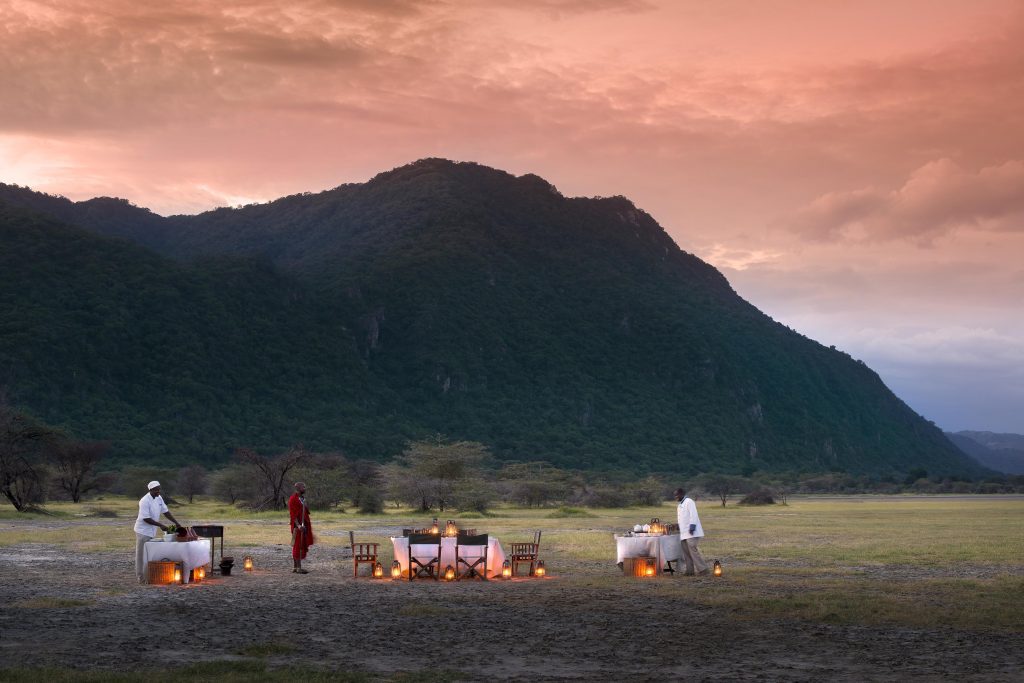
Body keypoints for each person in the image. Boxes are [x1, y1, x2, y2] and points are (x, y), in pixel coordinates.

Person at [134, 481, 183, 583]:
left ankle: (149, 575)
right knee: (141, 554)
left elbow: (166, 512)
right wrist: (161, 525)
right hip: (143, 531)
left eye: (159, 489)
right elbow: (146, 518)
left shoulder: (159, 498)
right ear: (150, 490)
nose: (158, 491)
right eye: (156, 489)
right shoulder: (144, 501)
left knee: (150, 554)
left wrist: (176, 523)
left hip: (152, 531)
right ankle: (141, 577)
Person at [675, 487, 709, 576]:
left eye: (677, 495)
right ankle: (690, 571)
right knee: (686, 553)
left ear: (682, 494)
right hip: (683, 533)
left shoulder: (689, 501)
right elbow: (682, 518)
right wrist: (678, 526)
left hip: (691, 532)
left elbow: (693, 515)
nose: (676, 497)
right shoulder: (680, 505)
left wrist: (692, 527)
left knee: (693, 551)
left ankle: (703, 569)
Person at [288, 481, 315, 573]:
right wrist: (299, 525)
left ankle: (295, 567)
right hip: (298, 526)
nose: (305, 488)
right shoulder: (293, 499)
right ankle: (298, 568)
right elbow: (293, 514)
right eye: (303, 487)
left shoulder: (302, 498)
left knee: (299, 544)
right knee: (297, 545)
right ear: (298, 488)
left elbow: (305, 510)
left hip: (304, 525)